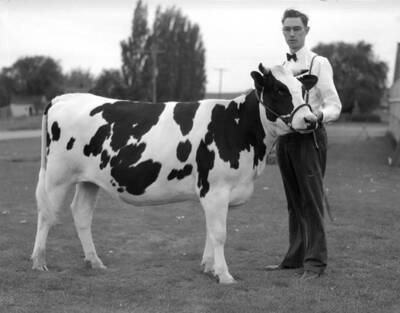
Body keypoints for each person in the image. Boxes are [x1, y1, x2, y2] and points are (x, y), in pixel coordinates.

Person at [265, 9, 342, 280]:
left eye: (297, 29)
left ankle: (315, 264)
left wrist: (319, 117)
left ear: (307, 30)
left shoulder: (319, 63)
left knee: (311, 201)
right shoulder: (281, 68)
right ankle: (294, 259)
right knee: (293, 203)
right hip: (286, 140)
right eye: (287, 29)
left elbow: (334, 104)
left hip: (310, 139)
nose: (292, 34)